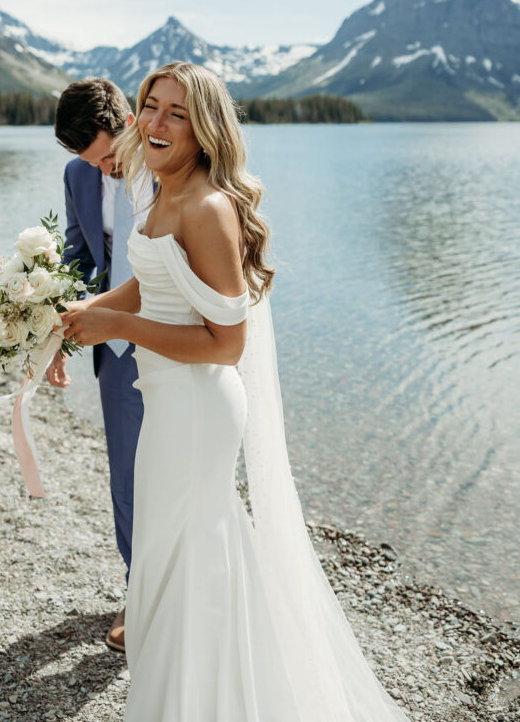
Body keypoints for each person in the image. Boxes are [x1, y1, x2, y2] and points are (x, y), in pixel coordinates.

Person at [60, 62, 412, 721]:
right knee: (170, 559)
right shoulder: (166, 192)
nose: (156, 123)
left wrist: (118, 325)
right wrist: (82, 315)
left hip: (198, 407)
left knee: (193, 554)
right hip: (168, 403)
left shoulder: (209, 207)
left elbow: (228, 344)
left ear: (206, 129)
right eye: (150, 106)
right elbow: (153, 282)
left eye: (177, 113)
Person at [48, 78, 151, 654]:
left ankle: (193, 587)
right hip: (114, 354)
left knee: (184, 467)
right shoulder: (77, 176)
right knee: (128, 478)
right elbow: (80, 260)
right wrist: (54, 338)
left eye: (110, 156)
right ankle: (140, 592)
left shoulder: (172, 167)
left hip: (176, 339)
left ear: (131, 122)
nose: (105, 169)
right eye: (93, 162)